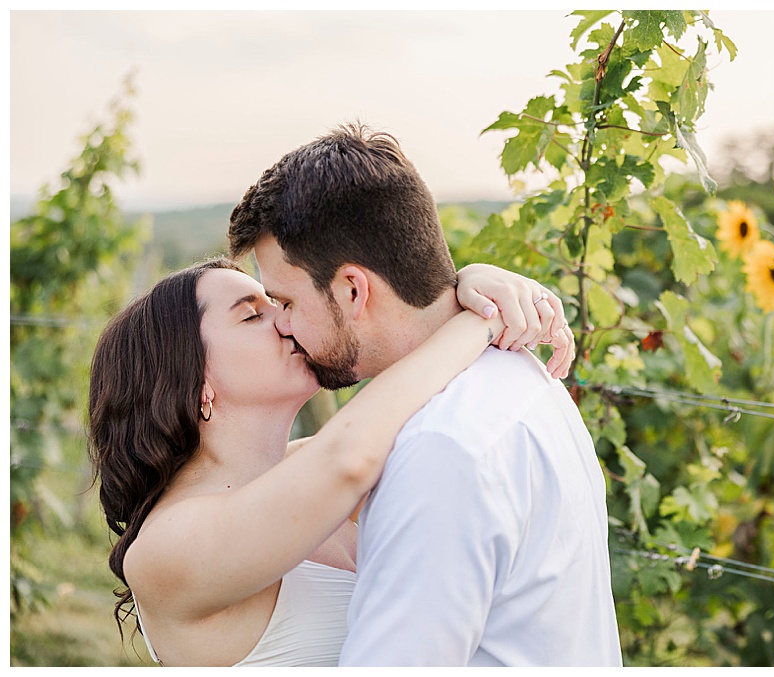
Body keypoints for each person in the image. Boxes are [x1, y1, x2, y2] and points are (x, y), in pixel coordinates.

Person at [225, 123, 619, 666]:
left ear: (352, 289)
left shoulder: (438, 450)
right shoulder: (520, 375)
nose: (283, 326)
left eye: (287, 302)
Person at [89, 256, 571, 667]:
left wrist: (462, 285)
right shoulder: (161, 553)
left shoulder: (310, 468)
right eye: (250, 316)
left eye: (277, 304)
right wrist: (478, 319)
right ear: (196, 384)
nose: (284, 320)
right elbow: (349, 455)